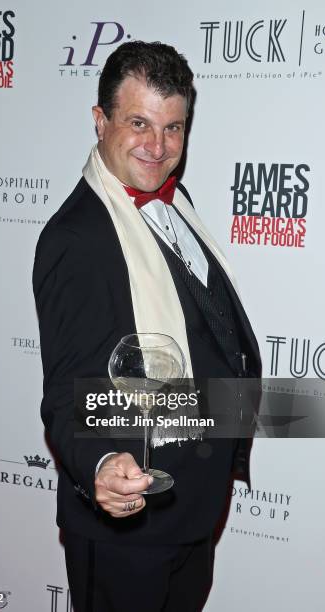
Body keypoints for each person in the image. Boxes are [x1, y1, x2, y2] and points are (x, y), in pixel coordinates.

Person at [33, 41, 261, 612]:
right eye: (139, 123)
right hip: (126, 525)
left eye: (173, 128)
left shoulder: (176, 205)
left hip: (191, 513)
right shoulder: (76, 239)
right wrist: (102, 466)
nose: (158, 147)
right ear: (100, 120)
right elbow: (65, 390)